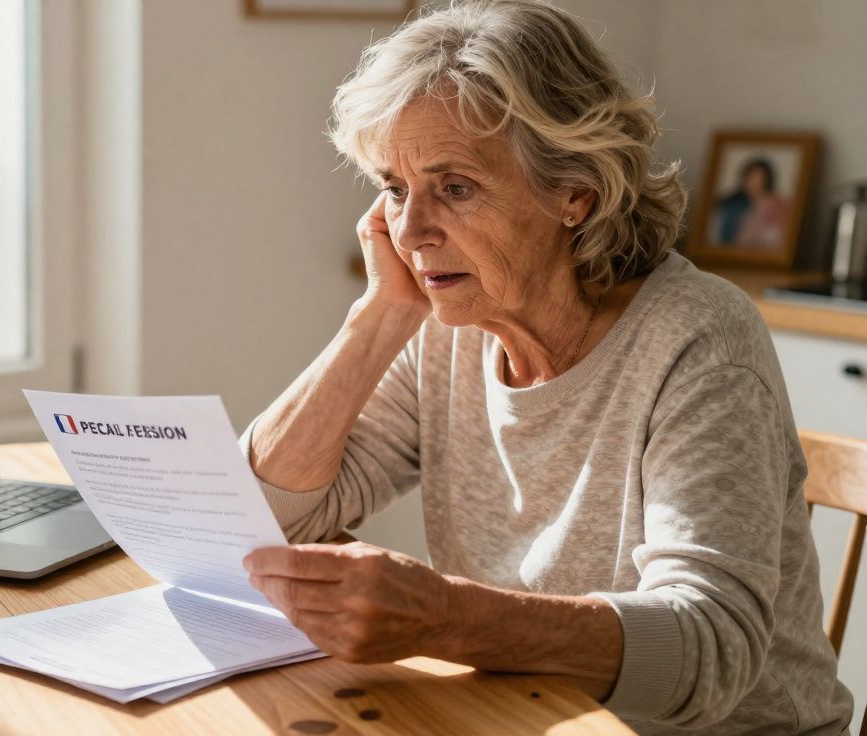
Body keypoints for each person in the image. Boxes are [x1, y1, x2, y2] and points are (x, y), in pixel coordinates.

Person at [237, 2, 852, 733]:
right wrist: (378, 317)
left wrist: (446, 617)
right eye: (395, 190)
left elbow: (709, 647)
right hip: (529, 718)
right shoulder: (450, 329)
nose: (409, 230)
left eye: (454, 188)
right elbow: (263, 518)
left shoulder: (699, 338)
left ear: (574, 195)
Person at [712, 157, 791, 248]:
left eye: (758, 179)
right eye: (750, 178)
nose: (752, 183)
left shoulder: (776, 204)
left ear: (767, 180)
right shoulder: (737, 206)